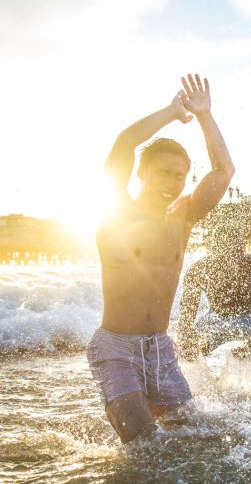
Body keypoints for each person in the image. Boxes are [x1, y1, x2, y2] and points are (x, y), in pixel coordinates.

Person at [86, 73, 234, 443]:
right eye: (164, 173)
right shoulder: (116, 211)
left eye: (180, 176)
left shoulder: (182, 218)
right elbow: (124, 142)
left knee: (197, 444)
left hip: (161, 352)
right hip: (117, 349)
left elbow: (223, 171)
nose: (173, 183)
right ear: (142, 172)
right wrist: (172, 112)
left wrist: (204, 116)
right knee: (144, 448)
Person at [176, 228, 251, 380]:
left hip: (250, 318)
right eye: (224, 251)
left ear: (242, 249)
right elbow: (186, 318)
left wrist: (250, 344)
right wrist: (186, 338)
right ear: (213, 250)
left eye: (235, 250)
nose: (229, 257)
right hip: (215, 319)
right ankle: (190, 391)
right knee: (180, 352)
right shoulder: (199, 270)